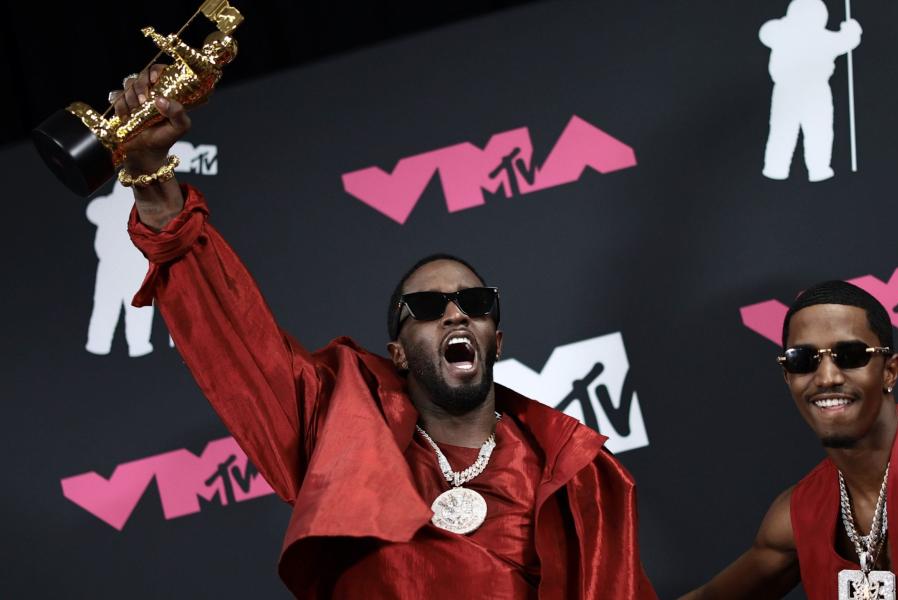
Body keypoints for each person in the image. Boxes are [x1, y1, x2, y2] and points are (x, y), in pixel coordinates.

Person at [110, 67, 658, 599]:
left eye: (474, 302)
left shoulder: (575, 476)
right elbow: (236, 341)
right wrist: (156, 186)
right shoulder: (337, 436)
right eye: (425, 306)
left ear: (497, 338)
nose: (454, 314)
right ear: (396, 353)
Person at [682, 281, 898, 599]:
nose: (827, 377)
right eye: (803, 360)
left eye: (851, 355)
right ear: (789, 377)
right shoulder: (795, 517)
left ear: (890, 371)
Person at [759, 0, 861, 182]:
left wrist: (851, 33)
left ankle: (803, 167)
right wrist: (851, 31)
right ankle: (800, 168)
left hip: (807, 90)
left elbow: (766, 32)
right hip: (796, 89)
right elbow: (846, 41)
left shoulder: (786, 33)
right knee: (800, 130)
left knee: (810, 130)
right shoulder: (790, 33)